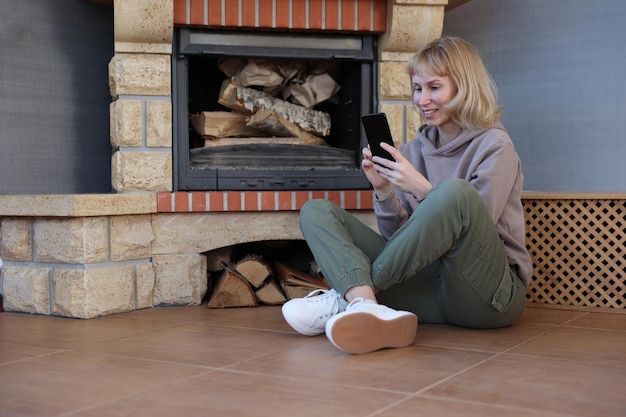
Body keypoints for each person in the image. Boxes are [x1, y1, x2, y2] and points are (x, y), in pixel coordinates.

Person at [281, 36, 532, 355]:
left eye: (434, 87)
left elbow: (475, 225)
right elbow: (401, 241)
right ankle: (366, 305)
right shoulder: (412, 153)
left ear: (464, 87)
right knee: (316, 211)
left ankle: (350, 294)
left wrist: (421, 189)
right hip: (429, 291)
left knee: (455, 194)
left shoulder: (495, 146)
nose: (422, 99)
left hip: (487, 297)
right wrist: (384, 191)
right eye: (417, 88)